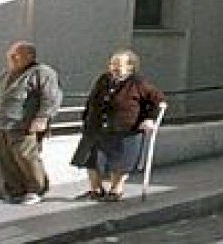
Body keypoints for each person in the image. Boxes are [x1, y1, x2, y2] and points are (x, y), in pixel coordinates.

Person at [0, 41, 63, 205]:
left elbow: (51, 97)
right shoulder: (6, 75)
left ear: (29, 56)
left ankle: (36, 189)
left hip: (24, 125)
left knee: (26, 157)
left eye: (16, 55)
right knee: (7, 160)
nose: (12, 58)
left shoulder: (42, 72)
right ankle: (15, 192)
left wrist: (43, 118)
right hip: (4, 124)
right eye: (10, 55)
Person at [70, 49, 166, 201]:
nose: (113, 67)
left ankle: (116, 190)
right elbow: (92, 99)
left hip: (124, 129)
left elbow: (158, 101)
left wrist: (149, 119)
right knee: (90, 158)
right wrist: (86, 117)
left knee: (119, 161)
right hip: (96, 126)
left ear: (130, 66)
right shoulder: (104, 79)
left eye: (118, 64)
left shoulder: (138, 83)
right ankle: (96, 189)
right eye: (111, 64)